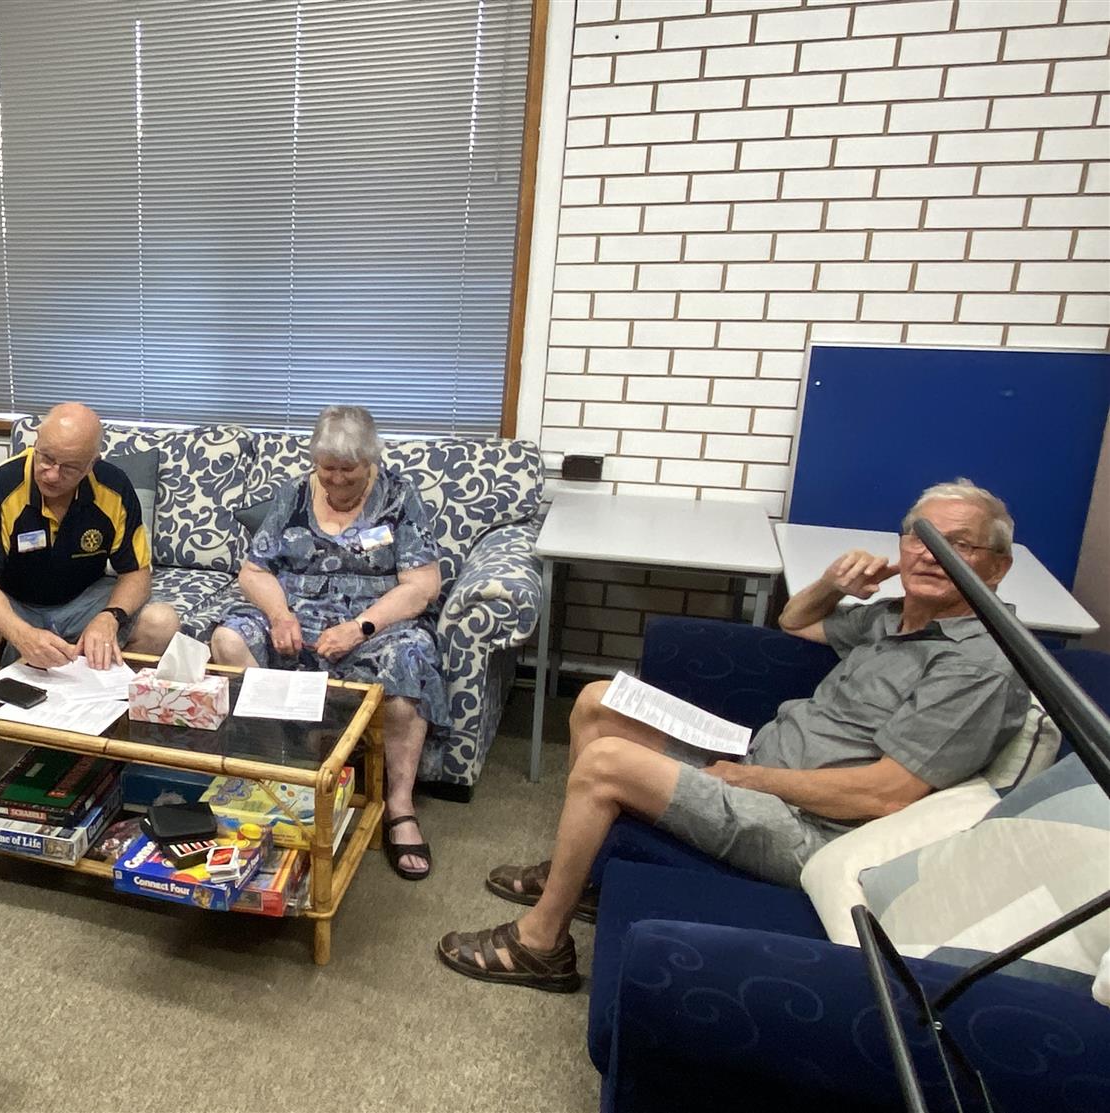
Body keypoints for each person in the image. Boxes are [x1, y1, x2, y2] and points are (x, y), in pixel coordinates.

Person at [438, 480, 1032, 993]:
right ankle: (586, 874)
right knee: (598, 701)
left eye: (958, 545)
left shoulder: (977, 666)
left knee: (607, 764)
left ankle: (542, 943)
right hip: (760, 760)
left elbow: (886, 796)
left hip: (813, 828)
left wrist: (751, 779)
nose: (930, 555)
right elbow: (794, 619)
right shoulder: (897, 617)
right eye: (920, 538)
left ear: (998, 566)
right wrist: (834, 583)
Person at [209, 405, 447, 881]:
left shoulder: (399, 497)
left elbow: (423, 584)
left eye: (348, 470)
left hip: (375, 622)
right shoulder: (295, 494)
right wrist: (280, 614)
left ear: (370, 460)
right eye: (327, 468)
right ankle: (279, 767)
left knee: (409, 658)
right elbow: (254, 571)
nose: (336, 480)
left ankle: (399, 806)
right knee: (229, 638)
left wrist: (361, 627)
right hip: (294, 614)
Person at [0, 402, 179, 695]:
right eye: (46, 458)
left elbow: (137, 573)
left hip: (83, 599)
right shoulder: (3, 484)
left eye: (69, 467)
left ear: (91, 464)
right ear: (36, 442)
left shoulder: (114, 488)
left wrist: (110, 617)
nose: (52, 475)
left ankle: (110, 711)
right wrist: (22, 634)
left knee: (162, 623)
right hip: (16, 601)